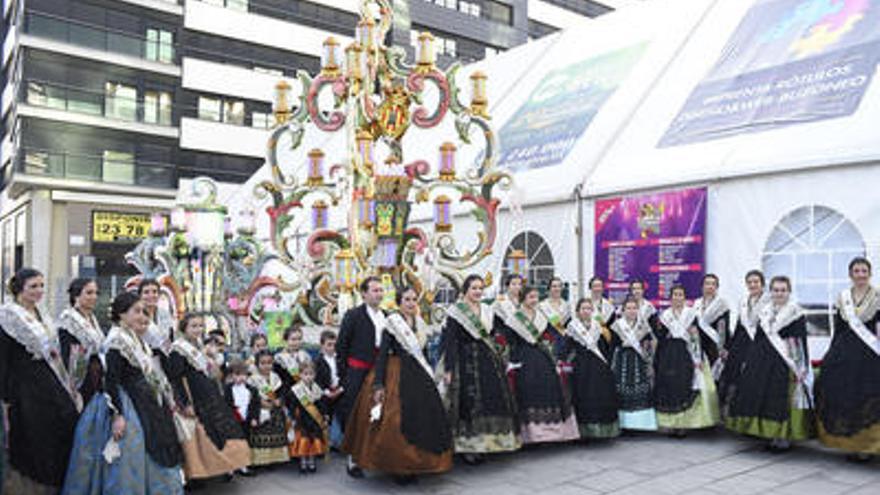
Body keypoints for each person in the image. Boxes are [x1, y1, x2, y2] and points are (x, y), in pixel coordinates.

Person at [62, 291, 183, 494]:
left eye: (144, 311)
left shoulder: (136, 338)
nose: (142, 316)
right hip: (122, 403)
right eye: (136, 311)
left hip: (142, 401)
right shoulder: (117, 340)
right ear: (121, 314)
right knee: (127, 460)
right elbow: (110, 380)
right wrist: (117, 415)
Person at [344, 287, 453, 483]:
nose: (411, 303)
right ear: (398, 302)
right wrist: (378, 384)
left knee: (423, 418)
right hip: (395, 373)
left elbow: (424, 354)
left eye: (413, 300)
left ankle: (416, 465)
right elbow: (383, 355)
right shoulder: (392, 323)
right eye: (407, 300)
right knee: (394, 421)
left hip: (419, 375)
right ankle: (398, 467)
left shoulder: (420, 323)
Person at [0, 268, 81, 494]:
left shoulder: (42, 313)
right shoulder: (8, 315)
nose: (39, 291)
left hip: (48, 378)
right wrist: (6, 396)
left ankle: (56, 479)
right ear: (19, 288)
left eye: (42, 286)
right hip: (23, 385)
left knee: (64, 419)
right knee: (34, 433)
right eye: (33, 286)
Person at [726, 276, 814, 451]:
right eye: (776, 290)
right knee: (763, 396)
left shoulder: (795, 312)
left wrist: (800, 366)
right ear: (771, 291)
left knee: (779, 397)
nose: (779, 293)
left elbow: (799, 341)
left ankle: (782, 437)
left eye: (783, 290)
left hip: (784, 361)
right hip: (763, 358)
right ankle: (768, 434)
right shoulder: (765, 311)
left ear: (789, 292)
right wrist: (751, 359)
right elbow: (758, 337)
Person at [443, 275, 519, 465]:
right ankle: (468, 447)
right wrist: (449, 368)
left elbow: (492, 334)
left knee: (491, 398)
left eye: (480, 288)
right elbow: (449, 341)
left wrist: (501, 347)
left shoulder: (487, 310)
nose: (477, 291)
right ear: (465, 291)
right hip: (465, 362)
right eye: (473, 288)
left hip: (488, 360)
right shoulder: (455, 312)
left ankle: (491, 442)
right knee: (469, 403)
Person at [165, 314, 250, 481]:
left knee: (218, 431)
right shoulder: (178, 348)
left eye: (200, 326)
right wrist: (184, 403)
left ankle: (224, 466)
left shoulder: (198, 346)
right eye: (193, 326)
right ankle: (196, 474)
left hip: (208, 395)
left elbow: (212, 373)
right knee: (197, 436)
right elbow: (175, 378)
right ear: (184, 328)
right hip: (193, 396)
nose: (198, 330)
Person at [815, 257, 880, 460]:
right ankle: (851, 445)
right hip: (845, 352)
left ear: (870, 273)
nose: (860, 275)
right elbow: (839, 328)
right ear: (850, 274)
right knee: (844, 394)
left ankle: (868, 447)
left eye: (864, 271)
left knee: (867, 397)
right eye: (856, 271)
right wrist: (831, 352)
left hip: (870, 355)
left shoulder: (877, 297)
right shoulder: (843, 298)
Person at [504, 286, 579, 444]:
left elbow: (554, 335)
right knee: (528, 392)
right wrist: (512, 360)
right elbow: (509, 341)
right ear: (523, 298)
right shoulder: (514, 319)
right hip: (524, 358)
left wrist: (558, 349)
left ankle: (549, 434)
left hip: (542, 357)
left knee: (547, 389)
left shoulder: (541, 316)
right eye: (531, 297)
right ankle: (530, 435)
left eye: (536, 297)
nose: (534, 300)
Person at [654, 286, 720, 437]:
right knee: (671, 388)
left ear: (684, 298)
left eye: (680, 295)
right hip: (669, 354)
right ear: (671, 298)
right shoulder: (665, 315)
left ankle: (683, 424)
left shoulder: (691, 314)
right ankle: (672, 424)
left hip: (686, 353)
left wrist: (697, 358)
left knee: (685, 387)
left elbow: (696, 337)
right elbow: (661, 338)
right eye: (675, 295)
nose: (677, 297)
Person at [337, 276, 386, 478]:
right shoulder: (353, 315)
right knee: (354, 414)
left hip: (380, 372)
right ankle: (353, 460)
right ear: (364, 294)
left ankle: (376, 455)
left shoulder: (388, 315)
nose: (379, 294)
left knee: (379, 413)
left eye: (381, 290)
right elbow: (342, 346)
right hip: (357, 372)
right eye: (375, 290)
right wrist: (344, 376)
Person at [564, 298, 620, 439]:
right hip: (582, 368)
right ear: (577, 312)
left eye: (589, 308)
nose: (586, 311)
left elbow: (609, 347)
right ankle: (584, 432)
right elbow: (565, 348)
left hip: (599, 368)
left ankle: (603, 430)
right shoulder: (572, 328)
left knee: (601, 396)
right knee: (583, 397)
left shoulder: (600, 329)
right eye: (583, 308)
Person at [718, 270, 768, 416]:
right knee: (733, 375)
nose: (753, 285)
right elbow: (739, 326)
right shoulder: (744, 302)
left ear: (762, 284)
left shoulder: (769, 301)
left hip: (761, 343)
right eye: (750, 282)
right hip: (742, 342)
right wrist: (729, 347)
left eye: (756, 282)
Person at [610, 296, 657, 432]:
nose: (631, 311)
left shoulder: (644, 326)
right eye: (628, 308)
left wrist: (648, 355)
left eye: (634, 308)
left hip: (639, 360)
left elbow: (649, 344)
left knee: (641, 390)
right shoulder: (617, 325)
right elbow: (613, 346)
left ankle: (640, 424)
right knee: (622, 391)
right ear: (623, 310)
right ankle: (623, 424)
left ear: (638, 310)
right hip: (622, 361)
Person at [57, 277, 105, 407]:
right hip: (81, 377)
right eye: (89, 293)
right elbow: (68, 354)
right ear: (76, 295)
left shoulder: (92, 318)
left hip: (97, 374)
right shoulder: (69, 319)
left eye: (96, 293)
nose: (94, 297)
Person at [246, 350, 290, 467]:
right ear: (257, 364)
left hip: (275, 410)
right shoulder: (253, 379)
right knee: (260, 434)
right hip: (260, 410)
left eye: (269, 363)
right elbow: (251, 396)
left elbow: (281, 392)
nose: (266, 366)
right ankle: (260, 460)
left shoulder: (275, 377)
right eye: (263, 363)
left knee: (277, 432)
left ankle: (274, 459)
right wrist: (261, 402)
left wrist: (279, 400)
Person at [286, 360, 328, 474]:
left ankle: (312, 460)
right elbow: (292, 405)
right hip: (302, 419)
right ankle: (303, 461)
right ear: (300, 374)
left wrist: (324, 414)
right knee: (304, 441)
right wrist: (292, 417)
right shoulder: (295, 390)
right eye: (305, 374)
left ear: (315, 375)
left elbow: (321, 404)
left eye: (311, 374)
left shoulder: (317, 389)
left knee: (313, 441)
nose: (308, 377)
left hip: (314, 420)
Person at [224, 359, 260, 477]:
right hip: (232, 421)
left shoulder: (252, 390)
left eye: (244, 374)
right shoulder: (227, 389)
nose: (241, 377)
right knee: (231, 445)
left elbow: (255, 405)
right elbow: (225, 404)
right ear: (231, 376)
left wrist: (255, 418)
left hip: (246, 420)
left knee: (244, 444)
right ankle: (230, 468)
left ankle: (243, 466)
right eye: (237, 374)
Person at [692, 274, 730, 371]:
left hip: (715, 345)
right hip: (699, 344)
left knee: (716, 377)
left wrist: (723, 348)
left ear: (717, 287)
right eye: (707, 284)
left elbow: (724, 329)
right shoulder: (697, 303)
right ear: (702, 286)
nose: (710, 287)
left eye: (713, 284)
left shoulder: (721, 304)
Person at [315, 330, 344, 449]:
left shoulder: (340, 359)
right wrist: (327, 392)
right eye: (329, 345)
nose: (332, 348)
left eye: (334, 345)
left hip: (339, 392)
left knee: (340, 416)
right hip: (325, 394)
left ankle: (337, 440)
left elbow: (344, 375)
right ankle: (325, 442)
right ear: (322, 345)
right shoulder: (318, 361)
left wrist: (340, 389)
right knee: (325, 417)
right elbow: (317, 380)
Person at [138, 278, 173, 360]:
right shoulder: (136, 315)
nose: (151, 295)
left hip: (163, 359)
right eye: (146, 292)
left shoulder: (165, 314)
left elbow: (169, 339)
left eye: (154, 292)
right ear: (140, 296)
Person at [539, 277, 570, 357]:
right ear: (549, 288)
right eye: (554, 286)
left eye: (559, 286)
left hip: (565, 342)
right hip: (548, 342)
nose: (557, 289)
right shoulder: (542, 306)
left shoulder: (567, 306)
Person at [274, 325, 310, 390]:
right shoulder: (279, 359)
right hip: (288, 393)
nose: (297, 342)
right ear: (285, 341)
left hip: (306, 392)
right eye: (293, 339)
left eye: (299, 339)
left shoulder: (306, 356)